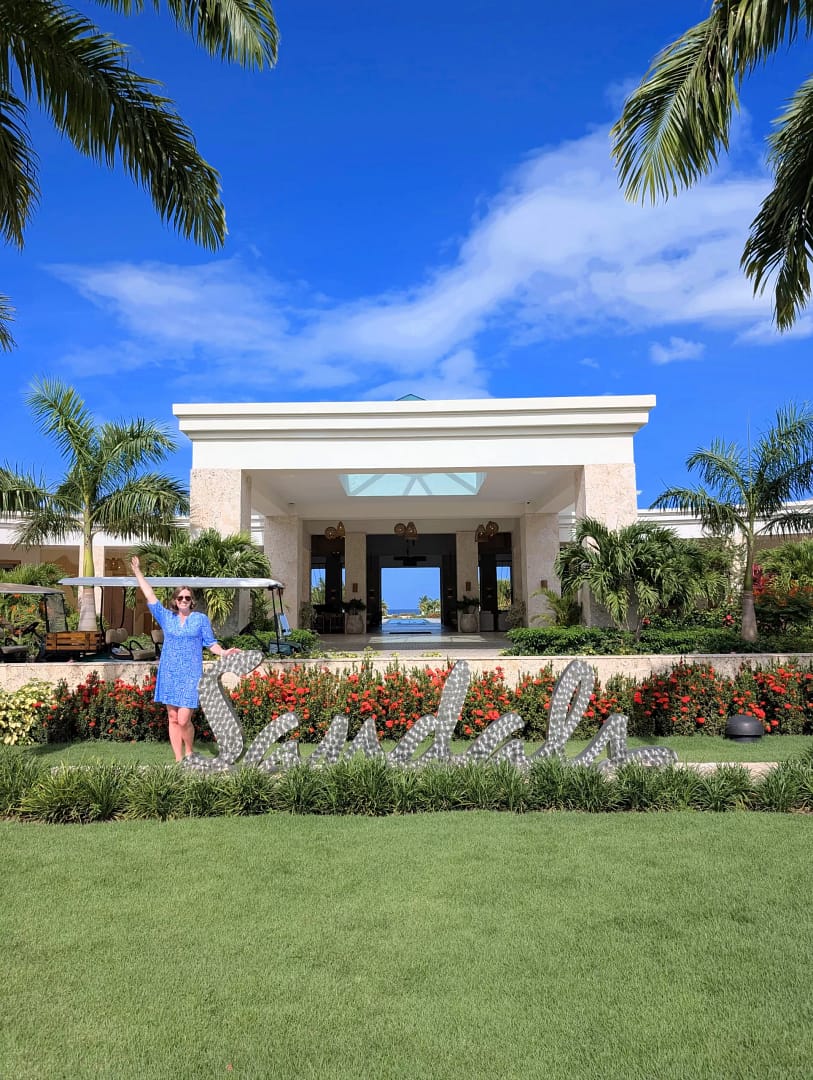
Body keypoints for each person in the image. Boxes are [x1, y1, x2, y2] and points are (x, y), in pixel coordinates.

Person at [131, 556, 239, 761]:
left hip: (191, 674)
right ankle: (179, 759)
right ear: (174, 601)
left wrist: (224, 652)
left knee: (183, 719)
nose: (183, 600)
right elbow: (150, 594)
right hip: (169, 672)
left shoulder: (200, 619)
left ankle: (189, 750)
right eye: (180, 597)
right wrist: (137, 572)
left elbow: (211, 643)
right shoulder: (167, 617)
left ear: (192, 601)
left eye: (187, 598)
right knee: (172, 717)